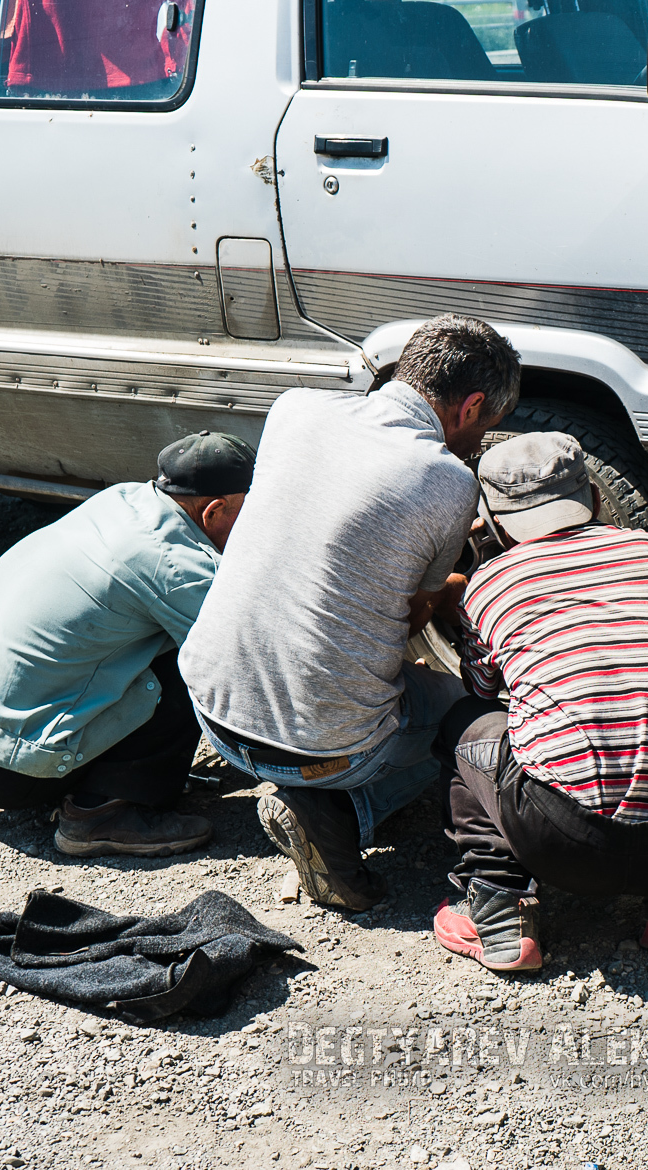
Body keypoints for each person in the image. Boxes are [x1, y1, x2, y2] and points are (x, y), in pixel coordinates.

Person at [182, 315, 522, 912]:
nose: (479, 441)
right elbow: (412, 614)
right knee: (475, 717)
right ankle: (339, 811)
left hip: (212, 710)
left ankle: (307, 790)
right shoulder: (446, 478)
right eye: (486, 425)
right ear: (469, 407)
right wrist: (460, 583)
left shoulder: (295, 407)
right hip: (324, 749)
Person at [432, 432, 648, 973]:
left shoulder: (487, 586)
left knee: (466, 724)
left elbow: (486, 694)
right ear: (597, 500)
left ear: (490, 519)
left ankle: (498, 903)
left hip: (562, 846)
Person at [0, 431, 254, 856]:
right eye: (252, 514)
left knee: (153, 636)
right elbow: (251, 662)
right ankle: (99, 814)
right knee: (201, 659)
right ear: (214, 510)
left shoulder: (123, 500)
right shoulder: (176, 565)